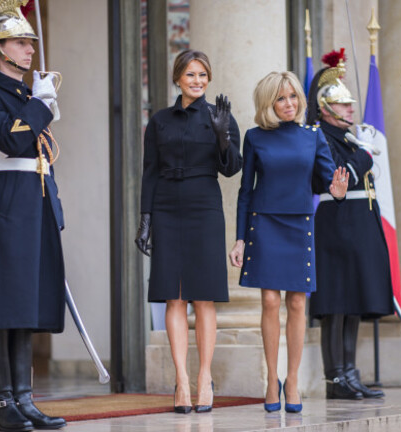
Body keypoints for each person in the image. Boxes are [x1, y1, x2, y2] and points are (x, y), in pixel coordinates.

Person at [0, 1, 66, 430]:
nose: (29, 50)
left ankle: (25, 399)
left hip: (32, 199)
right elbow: (14, 140)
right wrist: (41, 105)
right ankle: (3, 406)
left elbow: (41, 157)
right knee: (1, 305)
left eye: (30, 42)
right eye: (20, 42)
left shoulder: (25, 93)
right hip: (3, 203)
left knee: (26, 303)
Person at [228, 71, 348, 413]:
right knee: (269, 301)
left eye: (293, 96)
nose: (289, 103)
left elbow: (327, 180)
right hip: (264, 223)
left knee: (297, 303)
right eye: (281, 98)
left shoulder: (314, 136)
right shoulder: (254, 137)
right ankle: (271, 378)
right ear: (269, 103)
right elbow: (245, 192)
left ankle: (292, 380)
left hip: (299, 224)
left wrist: (336, 192)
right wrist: (240, 239)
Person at [135, 49, 242, 414]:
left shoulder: (220, 116)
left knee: (204, 296)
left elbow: (231, 169)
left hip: (204, 206)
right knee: (174, 296)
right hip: (166, 205)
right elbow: (150, 171)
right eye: (191, 75)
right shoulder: (160, 121)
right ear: (177, 78)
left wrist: (223, 137)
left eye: (203, 75)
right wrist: (145, 218)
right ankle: (181, 381)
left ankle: (204, 379)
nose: (198, 81)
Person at [306, 50, 394, 400]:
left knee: (354, 299)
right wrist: (365, 154)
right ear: (325, 107)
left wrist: (361, 147)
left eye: (350, 104)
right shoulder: (321, 137)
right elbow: (339, 177)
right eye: (343, 105)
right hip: (337, 226)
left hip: (359, 224)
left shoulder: (348, 137)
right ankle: (336, 377)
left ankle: (351, 372)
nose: (351, 109)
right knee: (335, 303)